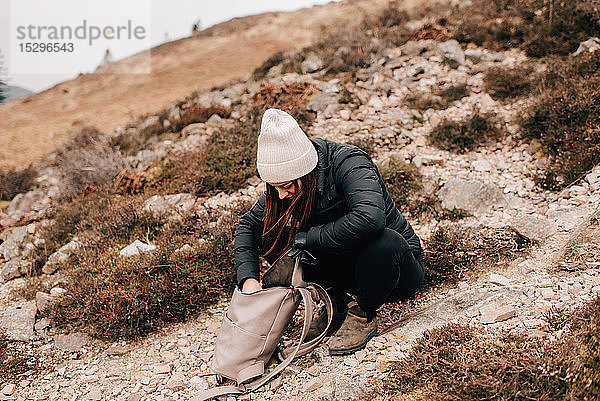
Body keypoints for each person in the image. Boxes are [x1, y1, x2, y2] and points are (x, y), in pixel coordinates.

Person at [234, 108, 425, 355]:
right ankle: (336, 302)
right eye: (273, 187)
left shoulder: (349, 162)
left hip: (394, 270)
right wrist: (249, 280)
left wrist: (309, 238)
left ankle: (362, 314)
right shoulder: (284, 184)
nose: (280, 194)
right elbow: (248, 226)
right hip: (349, 269)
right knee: (276, 233)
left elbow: (371, 218)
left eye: (285, 186)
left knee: (386, 241)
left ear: (303, 170)